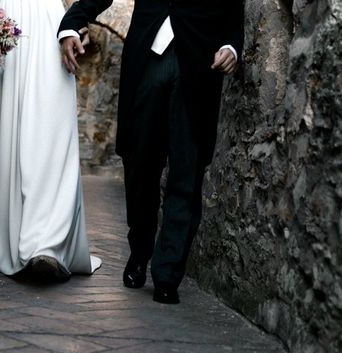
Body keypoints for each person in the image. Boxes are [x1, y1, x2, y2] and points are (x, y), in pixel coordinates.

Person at [59, 0, 244, 303]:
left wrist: (231, 47)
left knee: (187, 173)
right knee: (139, 167)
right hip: (146, 63)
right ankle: (140, 250)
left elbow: (234, 15)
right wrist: (72, 22)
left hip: (198, 70)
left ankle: (168, 274)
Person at [0, 0, 101, 281]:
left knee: (51, 127)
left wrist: (75, 23)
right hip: (2, 22)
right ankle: (11, 238)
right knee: (6, 131)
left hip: (50, 22)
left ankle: (47, 246)